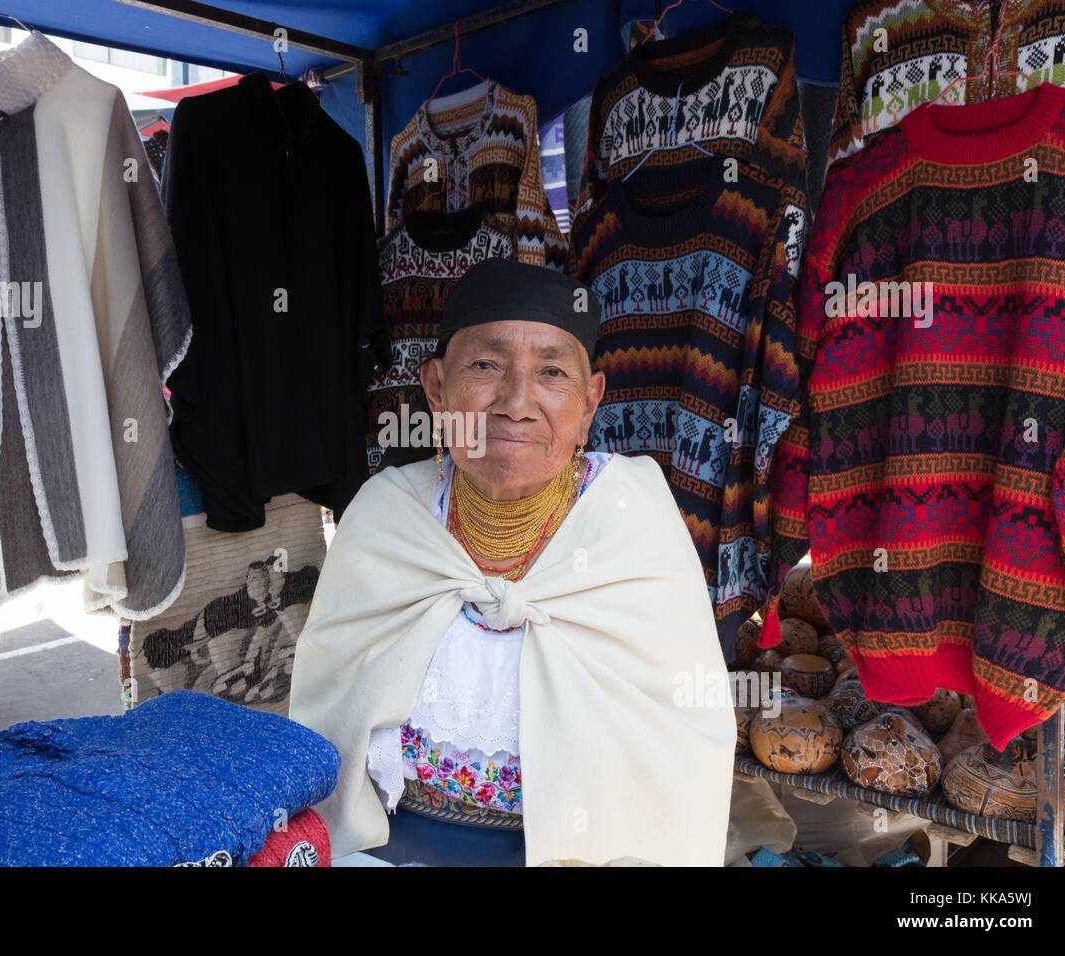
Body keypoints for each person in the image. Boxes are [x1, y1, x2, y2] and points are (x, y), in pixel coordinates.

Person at [289, 258, 733, 866]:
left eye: (552, 371)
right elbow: (326, 711)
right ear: (437, 388)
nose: (517, 402)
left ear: (589, 404)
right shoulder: (387, 517)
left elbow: (685, 745)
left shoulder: (632, 522)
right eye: (486, 366)